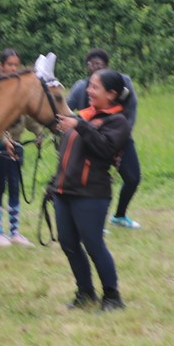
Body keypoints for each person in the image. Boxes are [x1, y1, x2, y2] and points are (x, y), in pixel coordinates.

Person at [51, 67, 132, 311]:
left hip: (91, 194)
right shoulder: (84, 117)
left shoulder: (117, 122)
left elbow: (105, 149)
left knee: (94, 244)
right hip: (64, 192)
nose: (88, 90)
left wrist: (79, 126)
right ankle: (85, 293)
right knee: (68, 244)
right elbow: (67, 155)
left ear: (111, 94)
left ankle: (112, 297)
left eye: (95, 87)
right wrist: (54, 183)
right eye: (90, 86)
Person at [68, 48, 142, 228]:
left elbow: (131, 108)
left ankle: (119, 216)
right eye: (91, 64)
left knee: (133, 178)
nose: (95, 67)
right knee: (93, 183)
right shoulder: (81, 87)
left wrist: (121, 135)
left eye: (99, 65)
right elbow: (67, 109)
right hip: (91, 142)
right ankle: (93, 223)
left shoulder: (122, 82)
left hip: (119, 139)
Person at [0, 48, 32, 246]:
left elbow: (27, 115)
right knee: (0, 185)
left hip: (17, 144)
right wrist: (4, 140)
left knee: (15, 186)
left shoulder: (19, 87)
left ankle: (14, 232)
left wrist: (38, 132)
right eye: (10, 64)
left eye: (16, 65)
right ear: (1, 65)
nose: (14, 68)